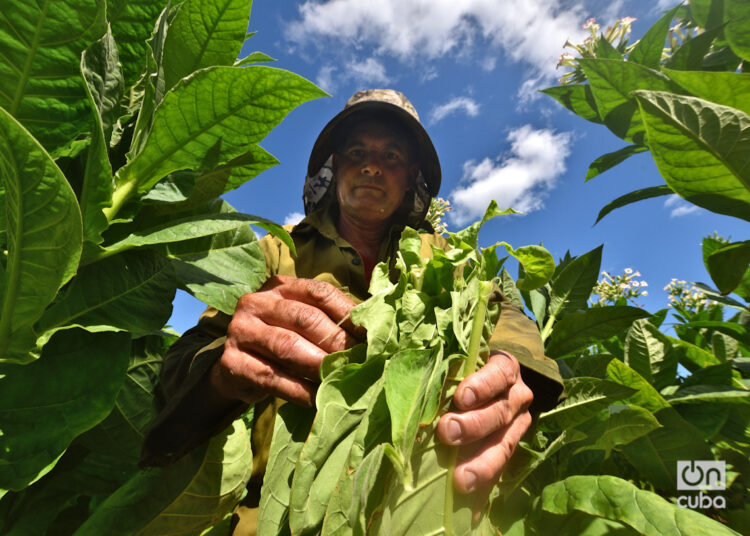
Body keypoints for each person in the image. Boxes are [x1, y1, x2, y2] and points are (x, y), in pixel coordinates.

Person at [141, 89, 564, 533]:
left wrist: (513, 368)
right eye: (357, 152)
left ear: (410, 177)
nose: (371, 166)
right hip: (273, 514)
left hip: (413, 507)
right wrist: (221, 369)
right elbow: (181, 366)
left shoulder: (444, 257)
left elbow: (508, 318)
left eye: (391, 155)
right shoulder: (275, 250)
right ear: (335, 166)